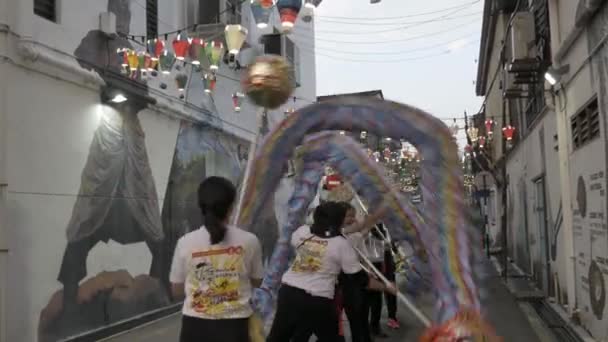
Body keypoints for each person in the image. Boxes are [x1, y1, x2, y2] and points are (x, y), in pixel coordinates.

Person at [268, 202, 394, 342]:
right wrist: (387, 287)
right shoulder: (341, 244)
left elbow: (298, 242)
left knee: (277, 337)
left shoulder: (302, 231)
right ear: (339, 221)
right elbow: (361, 280)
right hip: (317, 299)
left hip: (288, 293)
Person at [169, 176, 264, 342]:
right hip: (235, 328)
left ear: (201, 207)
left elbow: (176, 289)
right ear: (231, 207)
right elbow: (257, 281)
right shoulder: (249, 241)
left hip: (195, 328)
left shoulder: (185, 242)